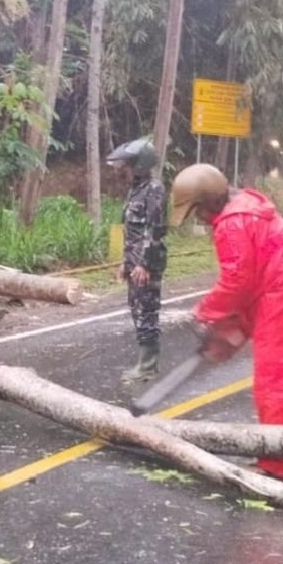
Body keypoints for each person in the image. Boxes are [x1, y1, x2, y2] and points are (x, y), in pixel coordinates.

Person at [169, 163, 283, 480]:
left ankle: (275, 462)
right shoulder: (250, 207)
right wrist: (234, 326)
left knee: (276, 383)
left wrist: (205, 313)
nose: (199, 218)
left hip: (282, 299)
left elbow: (237, 281)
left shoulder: (231, 223)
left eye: (197, 210)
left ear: (210, 200)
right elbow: (254, 275)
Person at [107, 137, 167, 383]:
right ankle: (145, 363)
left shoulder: (155, 189)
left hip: (148, 264)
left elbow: (154, 231)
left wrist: (144, 264)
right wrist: (125, 262)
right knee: (136, 310)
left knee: (146, 312)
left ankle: (148, 366)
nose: (123, 171)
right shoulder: (136, 190)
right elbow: (131, 231)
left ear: (141, 165)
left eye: (128, 166)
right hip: (134, 261)